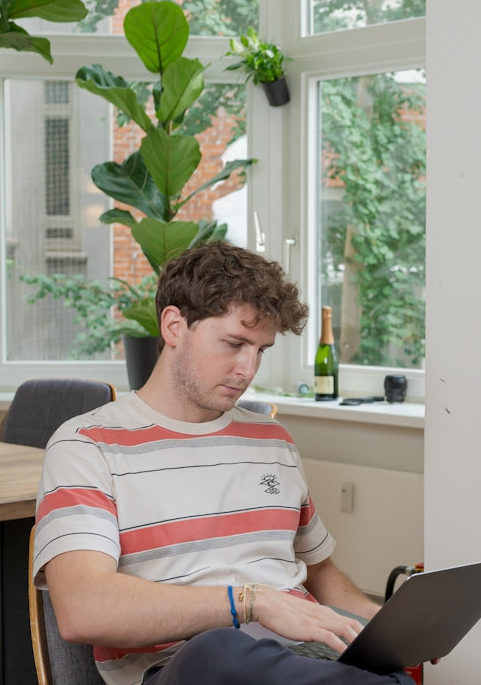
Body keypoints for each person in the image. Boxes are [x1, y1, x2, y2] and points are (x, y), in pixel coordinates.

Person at [33, 241, 417, 685]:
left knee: (381, 669)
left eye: (261, 350)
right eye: (234, 343)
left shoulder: (273, 441)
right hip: (187, 666)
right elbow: (84, 609)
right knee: (220, 646)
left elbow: (321, 572)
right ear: (175, 326)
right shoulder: (87, 445)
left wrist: (385, 627)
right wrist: (251, 603)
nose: (247, 368)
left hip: (303, 658)